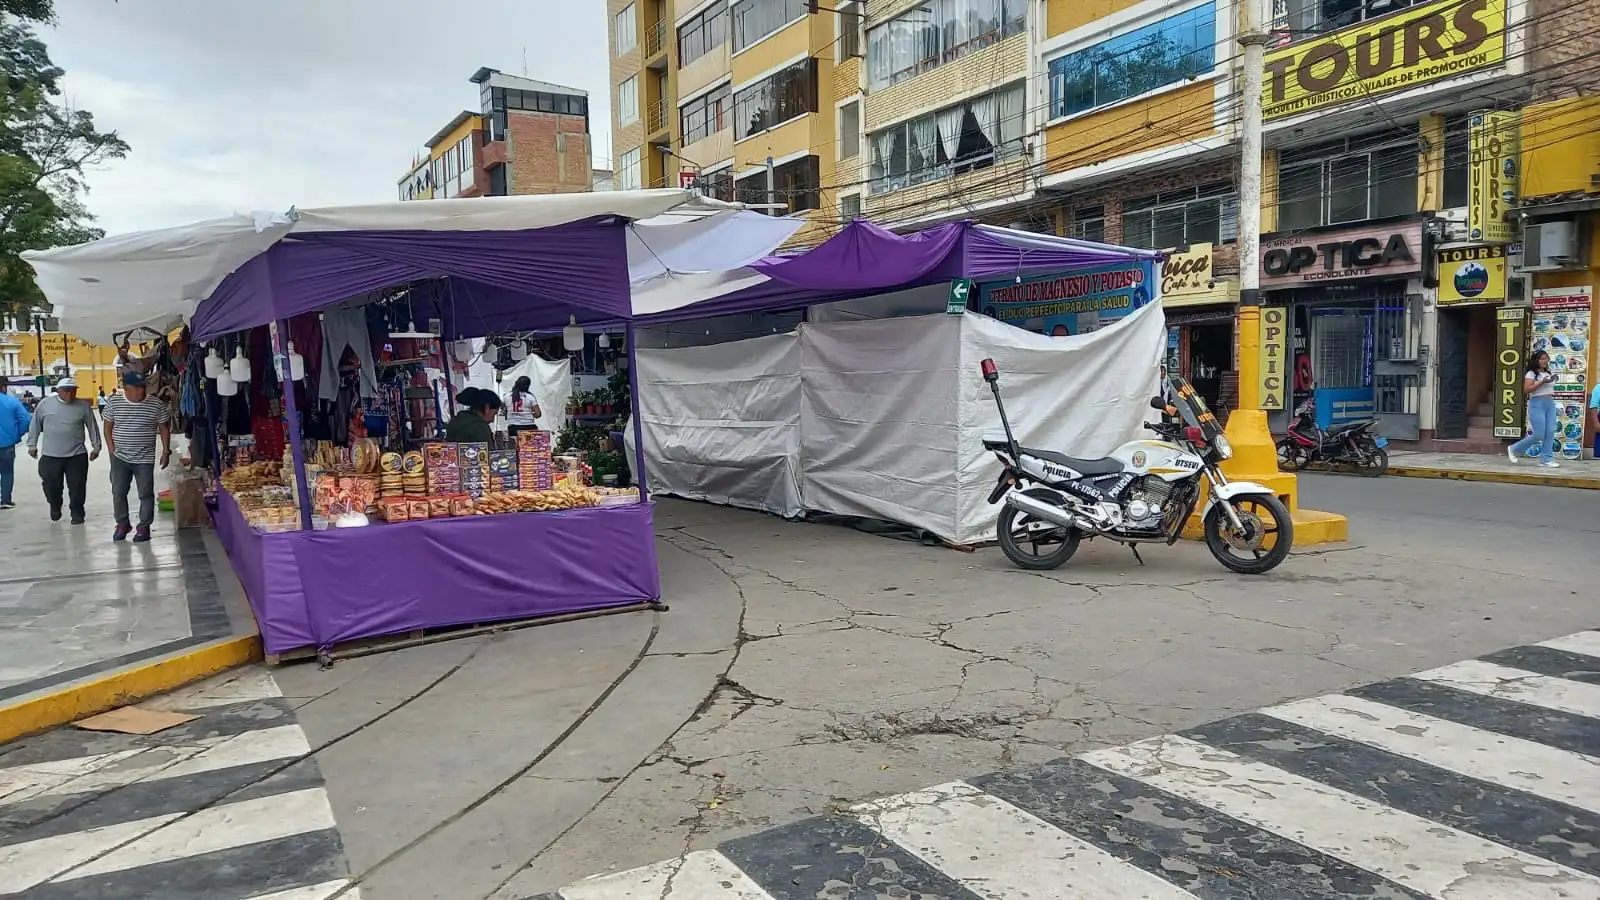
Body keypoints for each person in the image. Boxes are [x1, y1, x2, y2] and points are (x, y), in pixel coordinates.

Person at [101, 371, 171, 542]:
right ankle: (122, 524)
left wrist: (166, 451)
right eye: (137, 388)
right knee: (118, 492)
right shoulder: (114, 402)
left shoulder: (156, 404)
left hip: (144, 458)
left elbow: (164, 428)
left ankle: (144, 527)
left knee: (145, 493)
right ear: (126, 388)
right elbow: (107, 426)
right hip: (119, 457)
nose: (141, 391)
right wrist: (111, 448)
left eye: (143, 387)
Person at [26, 378, 101, 523]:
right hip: (51, 455)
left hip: (77, 455)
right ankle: (55, 504)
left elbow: (92, 426)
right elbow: (35, 424)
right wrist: (32, 445)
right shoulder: (45, 405)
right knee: (50, 484)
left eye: (73, 391)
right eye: (66, 391)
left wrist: (96, 446)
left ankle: (77, 513)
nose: (70, 394)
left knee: (77, 486)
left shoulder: (83, 406)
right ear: (58, 391)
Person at [1508, 350, 1560, 468]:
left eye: (1546, 358)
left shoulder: (1548, 372)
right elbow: (1527, 390)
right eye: (1542, 359)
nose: (1545, 361)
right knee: (1539, 434)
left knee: (1550, 431)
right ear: (1536, 360)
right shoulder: (1531, 374)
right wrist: (1542, 382)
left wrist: (1550, 379)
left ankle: (1546, 459)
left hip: (1549, 402)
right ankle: (1514, 449)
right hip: (1537, 403)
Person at [0, 389, 29, 510]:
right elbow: (25, 420)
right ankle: (5, 500)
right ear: (3, 387)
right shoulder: (12, 401)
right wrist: (17, 435)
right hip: (7, 443)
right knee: (7, 472)